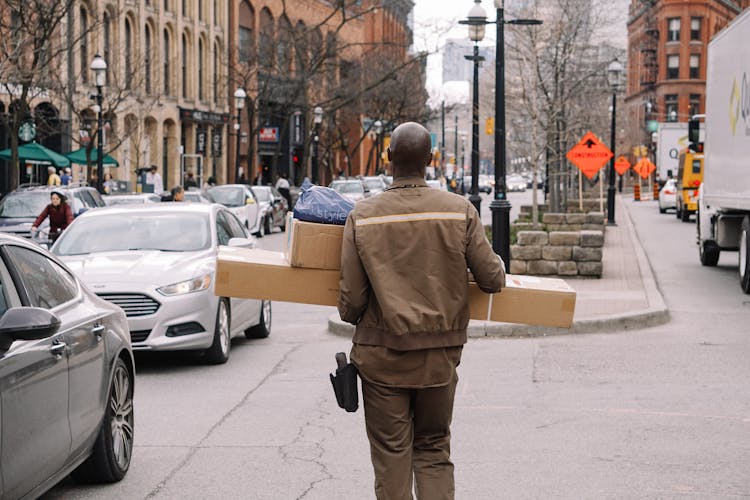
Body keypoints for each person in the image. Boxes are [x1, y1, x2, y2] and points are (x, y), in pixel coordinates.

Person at [338, 122, 505, 500]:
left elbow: (351, 303)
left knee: (392, 454)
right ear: (430, 161)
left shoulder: (362, 216)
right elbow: (492, 279)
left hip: (382, 360)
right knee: (432, 449)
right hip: (439, 360)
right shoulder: (458, 210)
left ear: (388, 158)